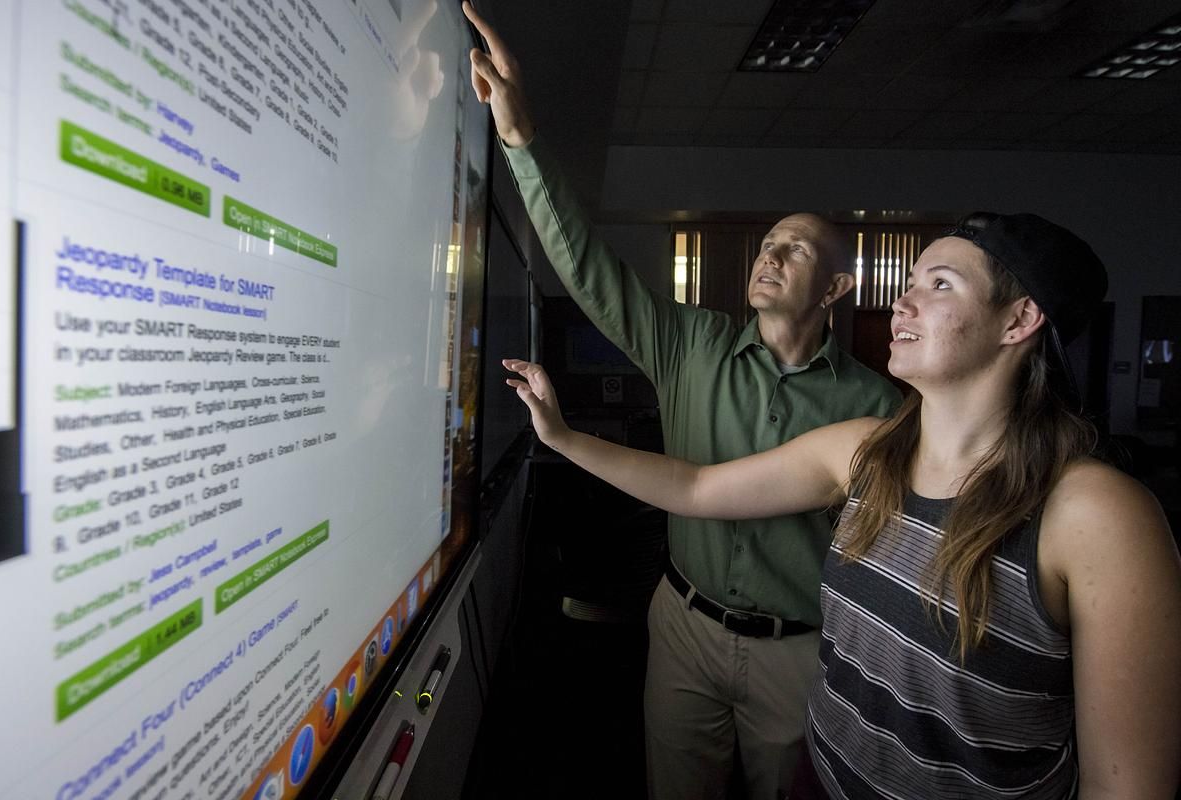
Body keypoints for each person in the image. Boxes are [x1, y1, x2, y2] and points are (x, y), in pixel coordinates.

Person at [503, 212, 1181, 799]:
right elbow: (696, 488)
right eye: (909, 282)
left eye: (939, 284)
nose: (904, 303)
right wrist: (562, 438)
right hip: (823, 783)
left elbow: (1125, 784)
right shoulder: (866, 452)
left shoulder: (1096, 513)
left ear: (1020, 319)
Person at [463, 3, 903, 796]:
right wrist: (520, 138)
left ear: (836, 288)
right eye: (767, 243)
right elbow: (590, 270)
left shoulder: (874, 405)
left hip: (797, 650)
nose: (770, 255)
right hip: (684, 626)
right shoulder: (691, 343)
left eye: (794, 249)